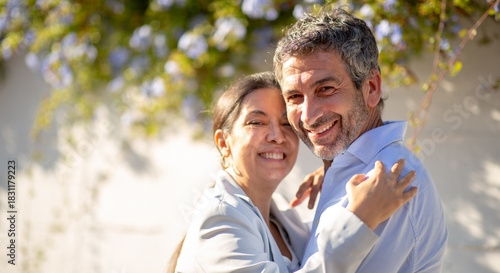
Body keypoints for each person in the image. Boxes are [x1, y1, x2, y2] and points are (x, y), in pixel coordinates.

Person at [173, 71, 417, 272]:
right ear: (224, 143)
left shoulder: (285, 221)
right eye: (256, 122)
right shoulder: (220, 220)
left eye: (286, 123)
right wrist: (360, 220)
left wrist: (338, 173)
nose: (277, 136)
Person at [273, 7, 448, 272]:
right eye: (294, 97)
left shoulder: (388, 181)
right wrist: (332, 170)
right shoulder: (350, 169)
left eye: (326, 89)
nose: (308, 116)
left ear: (371, 88)